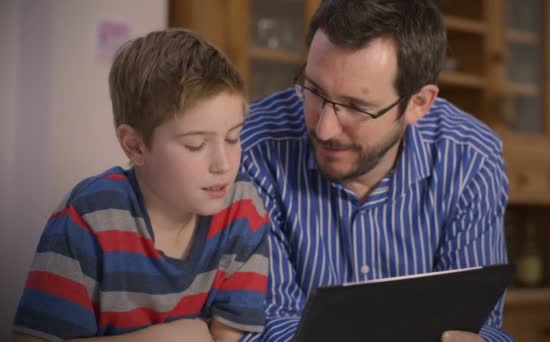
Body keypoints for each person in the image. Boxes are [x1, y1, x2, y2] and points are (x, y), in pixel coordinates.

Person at [239, 0, 511, 341]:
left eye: (356, 107)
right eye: (314, 90)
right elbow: (265, 326)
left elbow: (481, 324)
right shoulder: (253, 148)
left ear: (418, 103)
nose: (324, 128)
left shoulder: (472, 160)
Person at [13, 29, 269, 342]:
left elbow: (229, 337)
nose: (224, 164)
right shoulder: (88, 218)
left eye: (233, 137)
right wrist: (171, 337)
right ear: (134, 146)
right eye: (196, 144)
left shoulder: (241, 208)